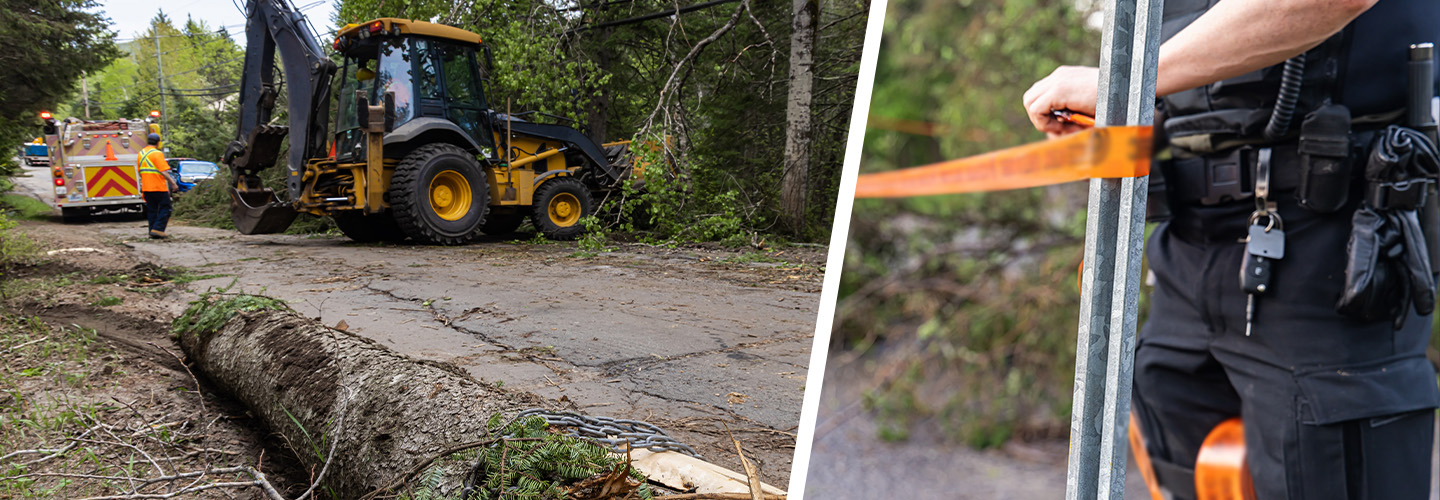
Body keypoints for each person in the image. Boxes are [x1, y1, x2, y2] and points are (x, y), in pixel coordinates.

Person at [1023, 1, 1438, 499]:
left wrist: (1127, 82)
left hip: (1333, 245)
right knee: (1177, 467)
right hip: (1187, 241)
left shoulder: (1141, 76)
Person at [137, 133, 177, 239]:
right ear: (158, 143)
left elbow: (140, 171)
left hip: (146, 187)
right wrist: (173, 183)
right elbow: (163, 171)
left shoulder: (141, 153)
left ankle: (152, 231)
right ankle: (158, 229)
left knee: (152, 210)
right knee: (166, 208)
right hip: (158, 187)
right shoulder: (157, 153)